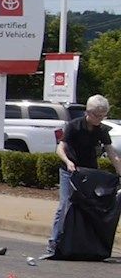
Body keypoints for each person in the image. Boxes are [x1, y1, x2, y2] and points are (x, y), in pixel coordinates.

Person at [46, 94, 121, 257]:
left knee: (89, 207)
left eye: (103, 116)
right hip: (70, 171)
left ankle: (85, 244)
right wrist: (68, 162)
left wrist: (119, 170)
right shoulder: (74, 126)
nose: (100, 119)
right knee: (66, 205)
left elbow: (111, 152)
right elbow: (60, 148)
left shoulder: (101, 130)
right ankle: (54, 242)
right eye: (97, 115)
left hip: (89, 173)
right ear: (88, 112)